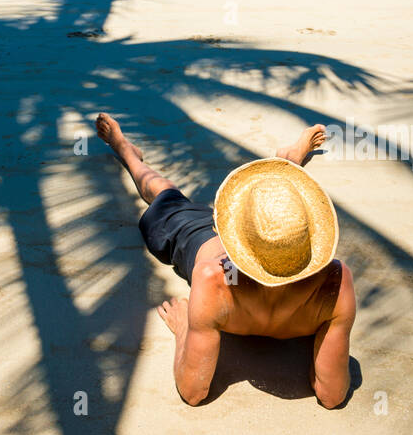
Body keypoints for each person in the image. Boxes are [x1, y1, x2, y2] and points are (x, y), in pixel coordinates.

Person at [95, 113, 355, 408]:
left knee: (171, 195)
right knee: (162, 192)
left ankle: (288, 159)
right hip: (200, 241)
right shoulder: (334, 283)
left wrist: (184, 329)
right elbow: (331, 396)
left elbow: (193, 393)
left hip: (208, 239)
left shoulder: (214, 281)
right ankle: (128, 153)